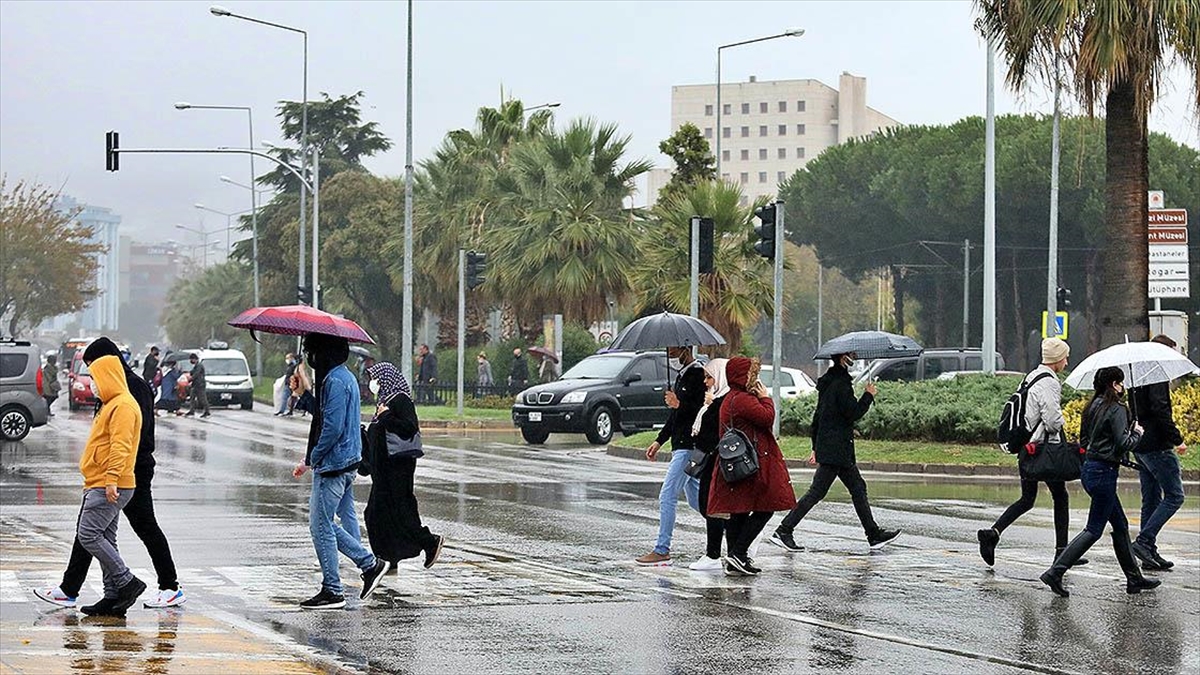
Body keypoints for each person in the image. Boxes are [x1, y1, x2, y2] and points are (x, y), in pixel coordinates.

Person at [36, 338, 184, 611]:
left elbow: (131, 438)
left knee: (132, 527)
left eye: (93, 366)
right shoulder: (111, 390)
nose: (92, 375)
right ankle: (98, 592)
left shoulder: (131, 390)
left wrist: (116, 473)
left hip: (131, 470)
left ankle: (167, 585)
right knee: (98, 530)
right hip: (114, 472)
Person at [1040, 366, 1161, 597]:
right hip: (1104, 473)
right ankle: (1055, 572)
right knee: (1094, 529)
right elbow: (1123, 443)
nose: (1123, 387)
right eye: (1121, 383)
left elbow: (1086, 440)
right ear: (1114, 384)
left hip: (1091, 470)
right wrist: (1136, 432)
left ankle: (1134, 579)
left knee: (1121, 525)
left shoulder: (1092, 406)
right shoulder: (1116, 408)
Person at [292, 332, 387, 610]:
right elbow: (326, 417)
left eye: (313, 352)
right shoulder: (342, 377)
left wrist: (314, 458)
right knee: (326, 525)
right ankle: (355, 574)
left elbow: (331, 427)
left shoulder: (333, 380)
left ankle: (347, 579)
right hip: (345, 462)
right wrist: (303, 394)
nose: (311, 358)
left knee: (320, 527)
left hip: (334, 465)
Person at [770, 353, 901, 553]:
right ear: (842, 358)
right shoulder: (841, 384)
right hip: (837, 449)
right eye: (851, 356)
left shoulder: (828, 383)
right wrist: (868, 395)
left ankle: (873, 534)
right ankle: (784, 530)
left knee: (856, 488)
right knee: (821, 492)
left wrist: (816, 445)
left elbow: (818, 416)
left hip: (832, 447)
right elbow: (853, 413)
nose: (854, 359)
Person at [977, 338, 1074, 567]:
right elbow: (1051, 421)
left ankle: (992, 534)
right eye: (1065, 357)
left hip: (1026, 448)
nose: (1067, 361)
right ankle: (1062, 552)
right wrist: (1063, 420)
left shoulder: (1031, 376)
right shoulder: (1049, 382)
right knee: (1060, 496)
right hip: (1042, 449)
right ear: (1057, 359)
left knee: (1028, 499)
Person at [707, 357, 797, 576]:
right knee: (766, 506)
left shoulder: (731, 398)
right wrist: (766, 399)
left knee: (740, 510)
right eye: (750, 374)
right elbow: (767, 418)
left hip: (737, 463)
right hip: (752, 463)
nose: (754, 378)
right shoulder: (744, 400)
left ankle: (736, 560)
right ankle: (738, 553)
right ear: (740, 376)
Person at [361, 362, 445, 569]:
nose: (373, 383)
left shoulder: (400, 400)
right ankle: (388, 558)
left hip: (397, 470)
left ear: (386, 379)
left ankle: (429, 542)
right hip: (384, 470)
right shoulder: (385, 401)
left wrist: (386, 416)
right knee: (378, 514)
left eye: (376, 378)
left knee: (399, 512)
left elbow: (409, 427)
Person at [635, 346, 706, 566]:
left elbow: (701, 409)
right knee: (697, 500)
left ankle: (662, 548)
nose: (670, 354)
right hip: (679, 444)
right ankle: (733, 530)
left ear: (685, 348)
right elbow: (675, 417)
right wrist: (659, 440)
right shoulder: (681, 375)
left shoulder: (697, 374)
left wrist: (680, 403)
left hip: (689, 446)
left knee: (667, 495)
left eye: (674, 350)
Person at [1131, 335, 1188, 571]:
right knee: (1175, 496)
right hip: (1157, 444)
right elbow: (1160, 409)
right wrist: (1177, 439)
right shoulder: (1157, 374)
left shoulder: (1137, 375)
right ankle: (1144, 542)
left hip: (1140, 444)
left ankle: (1148, 552)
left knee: (1151, 498)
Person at [688, 358, 730, 572]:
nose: (706, 382)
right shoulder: (716, 400)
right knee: (707, 505)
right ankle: (725, 550)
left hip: (717, 460)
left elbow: (712, 430)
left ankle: (714, 554)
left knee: (712, 506)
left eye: (709, 377)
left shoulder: (723, 401)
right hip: (709, 459)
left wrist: (711, 405)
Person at [184, 353, 210, 418]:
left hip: (200, 385)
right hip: (195, 384)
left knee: (202, 398)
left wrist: (190, 378)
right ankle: (192, 410)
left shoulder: (199, 366)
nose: (191, 361)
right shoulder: (196, 366)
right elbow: (192, 372)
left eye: (191, 359)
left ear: (195, 359)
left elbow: (196, 374)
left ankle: (207, 411)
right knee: (192, 397)